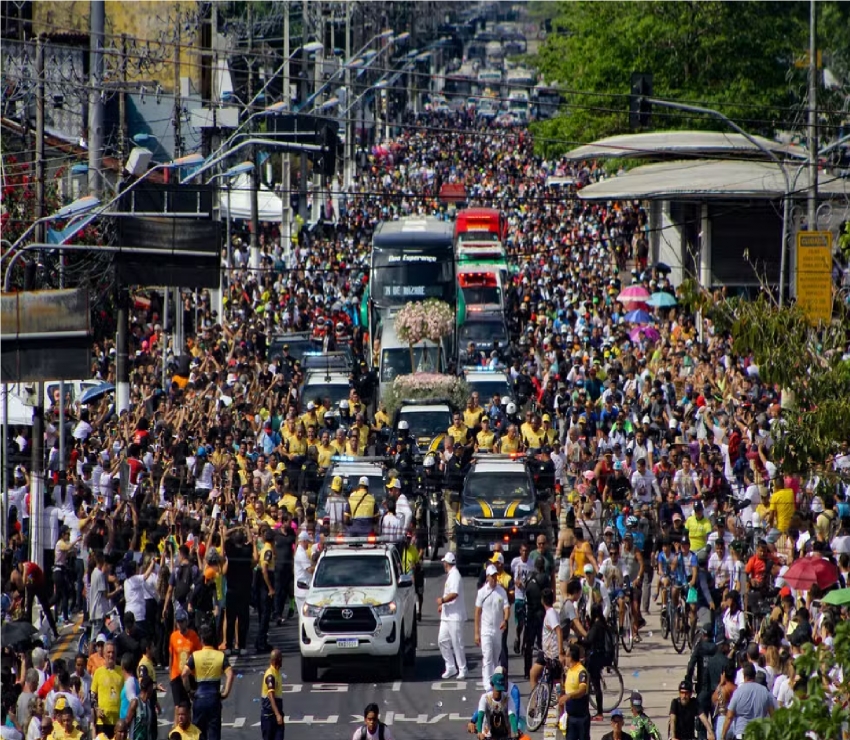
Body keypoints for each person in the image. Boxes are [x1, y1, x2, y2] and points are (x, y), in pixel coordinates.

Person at [181, 625, 233, 740]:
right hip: (214, 698)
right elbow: (230, 674)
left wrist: (189, 691)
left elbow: (184, 674)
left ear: (201, 640)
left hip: (199, 699)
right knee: (214, 733)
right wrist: (225, 693)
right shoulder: (220, 655)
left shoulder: (195, 656)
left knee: (198, 734)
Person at [474, 564, 510, 689]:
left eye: (496, 576)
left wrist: (505, 620)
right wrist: (476, 633)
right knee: (487, 656)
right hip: (486, 630)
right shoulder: (482, 593)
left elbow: (506, 608)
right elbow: (477, 613)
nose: (494, 578)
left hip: (497, 630)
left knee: (496, 658)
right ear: (487, 577)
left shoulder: (501, 591)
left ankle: (495, 681)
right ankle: (487, 683)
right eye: (492, 576)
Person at [720, 663, 775, 740]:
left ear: (744, 675)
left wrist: (723, 736)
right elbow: (773, 715)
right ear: (755, 675)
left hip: (742, 734)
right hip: (758, 734)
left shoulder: (738, 692)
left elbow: (729, 717)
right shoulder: (764, 691)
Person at [437, 552, 468, 680]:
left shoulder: (455, 575)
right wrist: (442, 606)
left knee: (457, 643)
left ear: (447, 563)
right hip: (447, 615)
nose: (443, 564)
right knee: (442, 640)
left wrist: (442, 601)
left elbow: (454, 594)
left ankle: (463, 669)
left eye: (444, 562)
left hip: (455, 616)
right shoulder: (451, 575)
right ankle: (450, 666)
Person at [168, 609, 202, 721]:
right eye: (178, 622)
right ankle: (175, 733)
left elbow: (199, 655)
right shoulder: (173, 636)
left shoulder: (193, 636)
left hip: (190, 675)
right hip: (177, 675)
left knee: (189, 706)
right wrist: (170, 675)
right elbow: (171, 656)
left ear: (186, 621)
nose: (180, 624)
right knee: (178, 707)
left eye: (182, 621)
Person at [529, 588, 563, 692]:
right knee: (533, 673)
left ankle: (560, 704)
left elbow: (558, 631)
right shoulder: (551, 613)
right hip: (546, 652)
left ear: (542, 600)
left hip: (552, 654)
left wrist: (560, 652)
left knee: (557, 682)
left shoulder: (551, 614)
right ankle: (536, 701)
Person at [557, 644, 590, 740]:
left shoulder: (581, 671)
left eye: (566, 656)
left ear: (570, 657)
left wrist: (569, 696)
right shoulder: (569, 671)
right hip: (570, 717)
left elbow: (582, 690)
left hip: (581, 717)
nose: (564, 658)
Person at [90, 642, 123, 738]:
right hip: (102, 720)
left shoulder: (121, 671)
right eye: (108, 652)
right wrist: (97, 709)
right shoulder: (98, 672)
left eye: (113, 652)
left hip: (118, 721)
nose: (111, 655)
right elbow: (92, 695)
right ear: (104, 654)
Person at [474, 672, 518, 739]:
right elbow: (480, 715)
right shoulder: (485, 698)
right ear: (492, 685)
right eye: (497, 689)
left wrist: (515, 731)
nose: (499, 692)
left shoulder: (508, 697)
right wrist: (479, 732)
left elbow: (512, 716)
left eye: (500, 690)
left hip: (504, 733)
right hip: (488, 733)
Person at [254, 528, 276, 653]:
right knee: (265, 615)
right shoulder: (268, 551)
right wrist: (270, 588)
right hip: (265, 584)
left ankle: (262, 641)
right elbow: (264, 570)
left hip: (263, 584)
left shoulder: (266, 549)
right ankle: (260, 642)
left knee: (264, 614)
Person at [260, 650, 285, 740]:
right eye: (280, 659)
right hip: (269, 716)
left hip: (277, 713)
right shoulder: (270, 675)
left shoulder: (277, 672)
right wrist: (277, 714)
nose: (282, 661)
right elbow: (271, 695)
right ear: (276, 660)